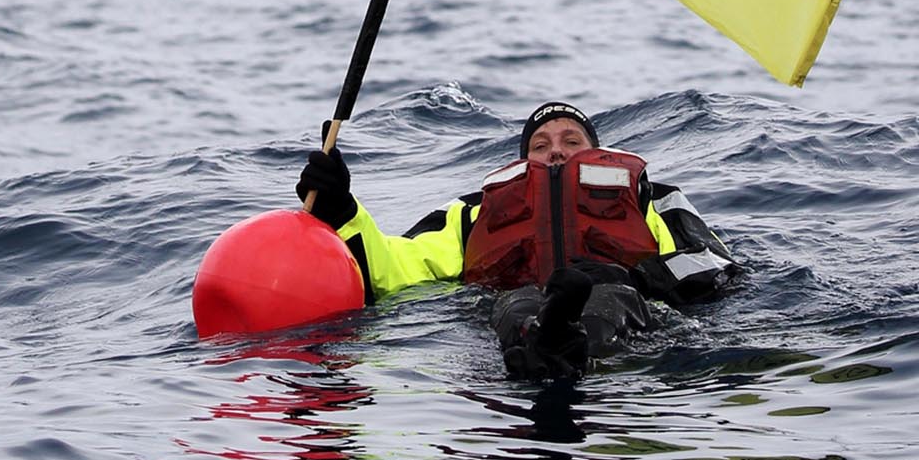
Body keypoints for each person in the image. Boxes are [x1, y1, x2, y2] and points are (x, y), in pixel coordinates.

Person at [295, 100, 737, 379]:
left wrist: (644, 276)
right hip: (517, 294)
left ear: (596, 151)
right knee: (514, 308)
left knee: (609, 302)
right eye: (540, 145)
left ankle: (566, 346)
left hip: (618, 290)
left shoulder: (651, 198)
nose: (556, 150)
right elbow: (396, 264)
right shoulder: (473, 214)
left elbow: (714, 261)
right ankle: (544, 340)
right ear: (523, 160)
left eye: (571, 140)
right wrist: (342, 210)